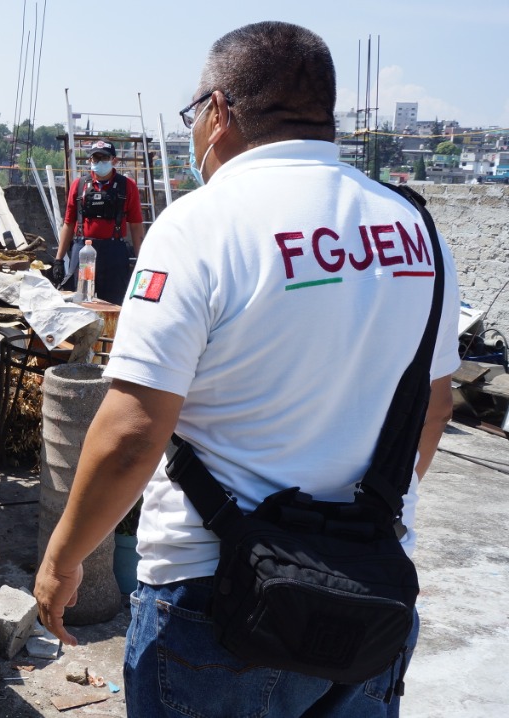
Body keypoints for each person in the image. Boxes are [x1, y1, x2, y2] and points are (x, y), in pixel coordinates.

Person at [34, 22, 459, 718]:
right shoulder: (415, 227)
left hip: (216, 604)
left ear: (220, 110)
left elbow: (135, 432)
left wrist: (61, 559)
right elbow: (435, 406)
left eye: (195, 111)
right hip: (370, 597)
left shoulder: (201, 224)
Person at [51, 139, 144, 303]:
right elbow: (68, 223)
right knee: (79, 301)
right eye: (95, 158)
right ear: (89, 160)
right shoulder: (79, 185)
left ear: (114, 160)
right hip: (83, 251)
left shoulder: (127, 186)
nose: (99, 162)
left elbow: (136, 226)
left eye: (104, 158)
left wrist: (141, 261)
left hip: (113, 252)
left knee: (113, 303)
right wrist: (58, 259)